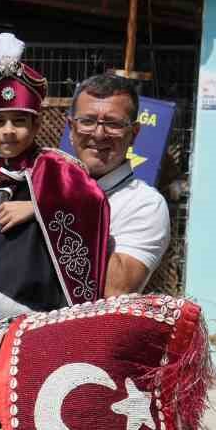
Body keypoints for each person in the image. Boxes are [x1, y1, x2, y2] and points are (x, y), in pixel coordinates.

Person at [0, 33, 110, 317]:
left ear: (35, 125)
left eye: (19, 121)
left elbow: (94, 204)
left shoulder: (58, 169)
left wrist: (38, 207)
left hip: (38, 307)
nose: (9, 130)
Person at [66, 73, 172, 296]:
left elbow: (115, 291)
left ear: (134, 133)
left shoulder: (145, 205)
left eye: (113, 124)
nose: (99, 133)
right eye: (87, 121)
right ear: (71, 129)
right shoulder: (38, 184)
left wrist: (61, 208)